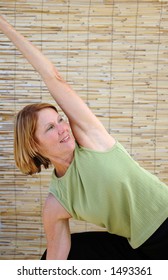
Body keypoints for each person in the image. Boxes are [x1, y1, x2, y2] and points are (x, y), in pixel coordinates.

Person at [0, 15, 168, 260]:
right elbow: (56, 261)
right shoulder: (56, 203)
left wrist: (3, 25)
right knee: (69, 254)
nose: (63, 128)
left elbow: (52, 76)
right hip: (141, 249)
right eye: (49, 128)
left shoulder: (91, 139)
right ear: (33, 146)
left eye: (59, 119)